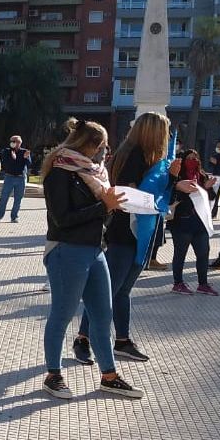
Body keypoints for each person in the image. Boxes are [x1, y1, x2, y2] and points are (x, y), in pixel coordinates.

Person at [39, 119, 142, 399]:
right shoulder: (60, 172)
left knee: (102, 314)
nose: (106, 152)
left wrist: (111, 207)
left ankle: (109, 376)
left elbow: (100, 217)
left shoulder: (94, 174)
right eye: (104, 147)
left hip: (95, 250)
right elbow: (62, 219)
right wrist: (103, 206)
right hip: (66, 250)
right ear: (90, 146)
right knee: (62, 314)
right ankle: (53, 375)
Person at [72, 112, 170, 365]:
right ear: (153, 133)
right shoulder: (134, 156)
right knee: (108, 291)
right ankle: (83, 338)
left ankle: (122, 340)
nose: (167, 137)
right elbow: (129, 194)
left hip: (133, 232)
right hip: (125, 232)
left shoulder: (137, 155)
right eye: (164, 131)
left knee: (121, 290)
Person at [169, 150, 218, 296]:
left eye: (195, 158)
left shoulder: (202, 175)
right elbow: (171, 196)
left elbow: (211, 197)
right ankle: (178, 283)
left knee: (203, 253)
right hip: (182, 222)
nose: (193, 161)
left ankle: (203, 284)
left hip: (200, 222)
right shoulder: (177, 176)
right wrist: (182, 188)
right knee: (180, 254)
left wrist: (207, 187)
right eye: (190, 158)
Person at [0, 134, 31, 222]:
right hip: (9, 177)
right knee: (4, 197)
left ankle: (14, 216)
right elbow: (5, 164)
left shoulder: (24, 152)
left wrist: (26, 158)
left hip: (21, 178)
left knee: (18, 199)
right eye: (12, 141)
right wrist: (13, 158)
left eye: (16, 141)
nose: (14, 143)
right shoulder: (7, 151)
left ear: (20, 143)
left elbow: (29, 164)